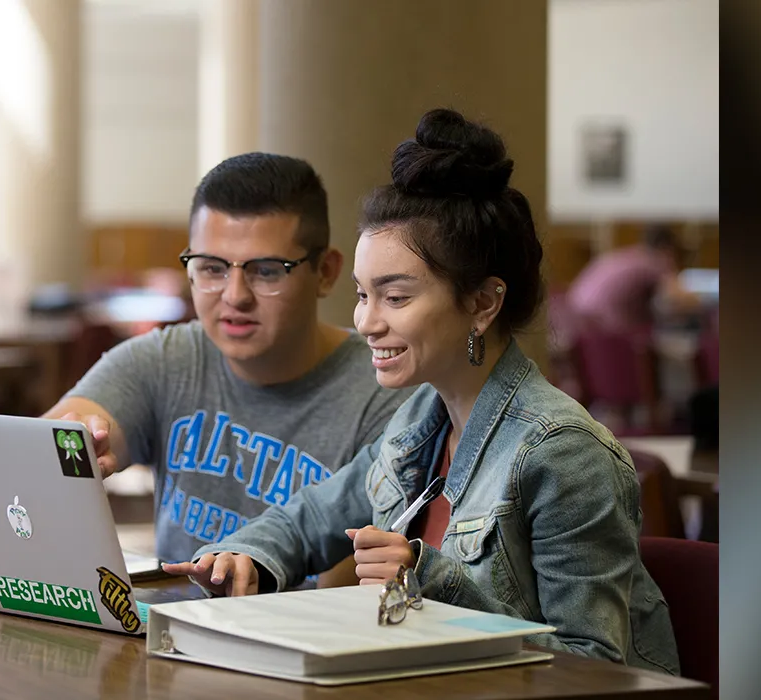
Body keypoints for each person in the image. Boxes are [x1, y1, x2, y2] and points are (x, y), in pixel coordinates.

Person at [165, 109, 680, 675]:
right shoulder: (418, 420)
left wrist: (428, 579)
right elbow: (308, 517)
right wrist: (246, 556)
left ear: (483, 303)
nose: (365, 321)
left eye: (396, 297)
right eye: (363, 295)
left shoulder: (564, 452)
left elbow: (592, 667)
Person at [44, 153, 410, 580]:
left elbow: (347, 589)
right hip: (171, 633)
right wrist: (80, 444)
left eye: (267, 271)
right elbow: (49, 445)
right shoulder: (166, 360)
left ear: (326, 273)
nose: (234, 295)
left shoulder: (387, 392)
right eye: (212, 268)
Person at [568, 223, 702, 331]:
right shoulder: (655, 261)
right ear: (667, 249)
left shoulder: (630, 255)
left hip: (575, 321)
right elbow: (684, 301)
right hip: (607, 327)